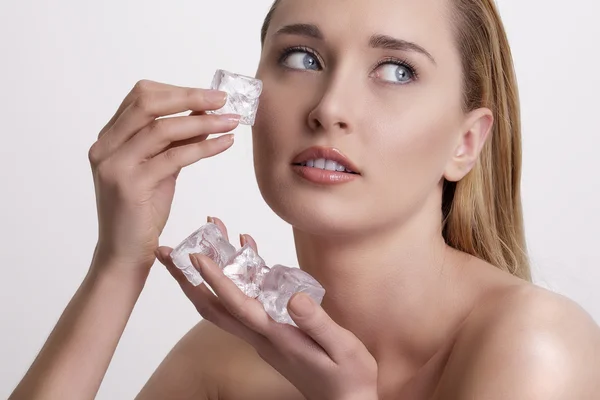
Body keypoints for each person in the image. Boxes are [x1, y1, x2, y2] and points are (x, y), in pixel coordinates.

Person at [9, 0, 600, 398]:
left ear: (465, 143)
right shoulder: (225, 357)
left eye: (395, 70)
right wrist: (117, 262)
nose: (329, 108)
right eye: (301, 58)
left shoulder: (535, 345)